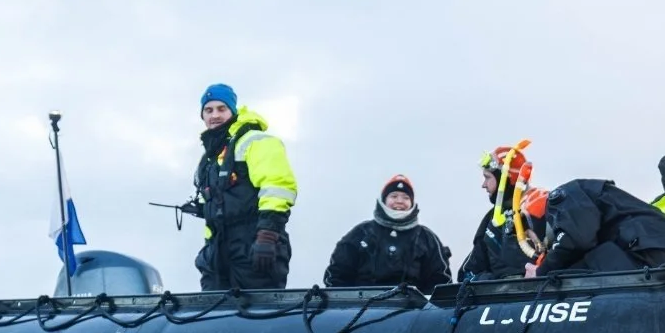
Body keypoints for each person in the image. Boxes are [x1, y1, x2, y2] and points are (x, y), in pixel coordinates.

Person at [194, 84, 298, 291]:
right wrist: (208, 246)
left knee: (258, 310)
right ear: (202, 115)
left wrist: (267, 236)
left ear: (233, 111)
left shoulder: (256, 141)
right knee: (212, 310)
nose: (215, 115)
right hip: (217, 253)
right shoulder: (210, 157)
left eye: (221, 109)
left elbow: (278, 188)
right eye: (209, 110)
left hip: (255, 245)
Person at [537, 178, 665, 274]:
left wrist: (539, 274)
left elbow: (577, 239)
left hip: (655, 254)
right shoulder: (597, 200)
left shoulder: (561, 197)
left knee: (594, 259)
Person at [322, 175, 453, 293]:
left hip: (413, 309)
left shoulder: (427, 238)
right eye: (394, 196)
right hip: (362, 308)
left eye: (406, 197)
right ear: (384, 200)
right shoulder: (361, 233)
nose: (399, 201)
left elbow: (440, 280)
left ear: (412, 203)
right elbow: (337, 274)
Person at [456, 142, 546, 282]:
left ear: (505, 178)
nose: (483, 185)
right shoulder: (491, 220)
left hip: (543, 290)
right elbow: (467, 274)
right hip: (502, 293)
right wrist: (498, 282)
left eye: (487, 177)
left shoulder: (543, 207)